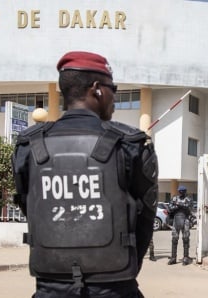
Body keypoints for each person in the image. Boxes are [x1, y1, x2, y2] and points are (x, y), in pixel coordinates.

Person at [12, 51, 159, 298]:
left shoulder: (29, 145)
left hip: (50, 287)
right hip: (115, 287)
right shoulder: (130, 145)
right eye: (113, 88)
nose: (115, 97)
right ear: (97, 89)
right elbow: (144, 221)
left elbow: (32, 208)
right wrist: (121, 268)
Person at [167, 185, 193, 265]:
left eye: (182, 191)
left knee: (186, 238)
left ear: (185, 191)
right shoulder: (174, 198)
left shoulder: (188, 199)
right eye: (180, 191)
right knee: (174, 239)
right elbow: (170, 207)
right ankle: (173, 258)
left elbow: (188, 207)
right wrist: (179, 206)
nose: (181, 192)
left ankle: (185, 257)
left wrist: (177, 205)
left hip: (185, 219)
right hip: (176, 219)